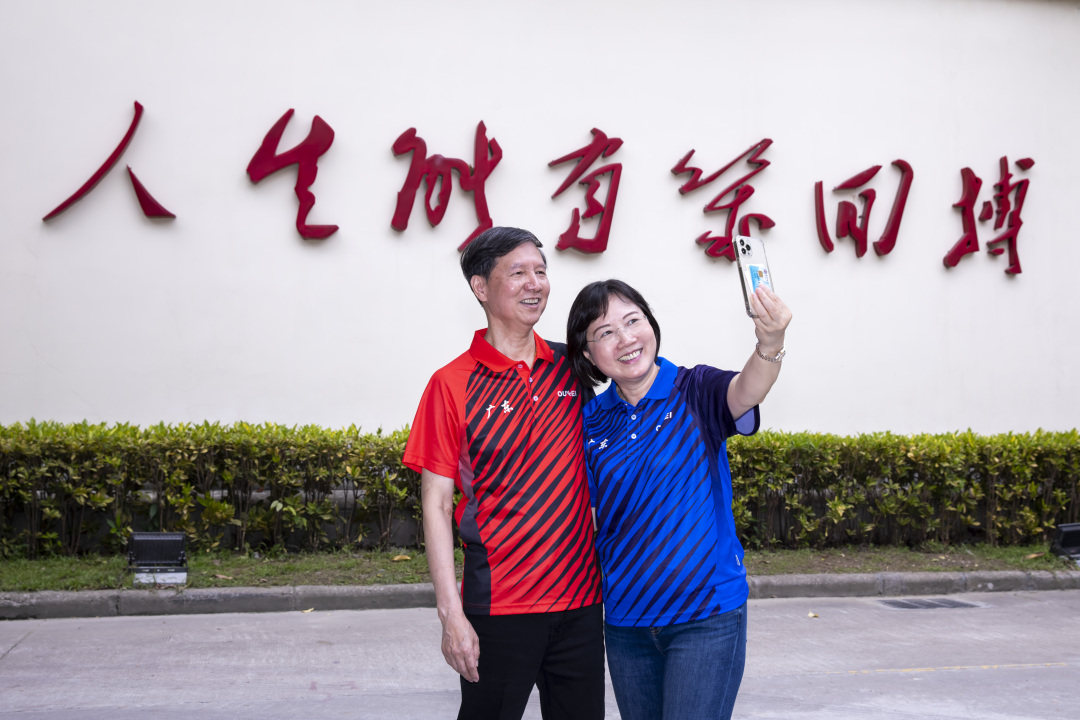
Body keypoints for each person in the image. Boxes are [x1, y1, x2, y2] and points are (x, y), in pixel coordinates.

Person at [403, 226, 605, 720]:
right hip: (499, 607)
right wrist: (451, 614)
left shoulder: (573, 367)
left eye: (541, 271)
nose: (535, 283)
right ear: (480, 287)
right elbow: (437, 504)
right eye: (518, 272)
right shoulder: (451, 384)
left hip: (581, 603)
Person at [566, 278, 792, 720]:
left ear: (651, 325)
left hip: (706, 617)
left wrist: (771, 342)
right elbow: (587, 518)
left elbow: (747, 389)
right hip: (626, 623)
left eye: (633, 321)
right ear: (589, 355)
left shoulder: (696, 390)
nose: (625, 338)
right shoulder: (590, 422)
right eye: (606, 332)